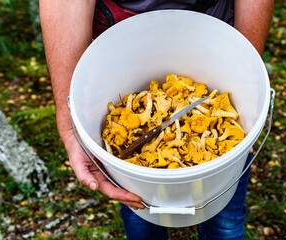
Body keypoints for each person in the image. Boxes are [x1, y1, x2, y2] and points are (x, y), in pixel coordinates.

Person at [39, 0, 273, 239]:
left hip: (216, 35)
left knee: (225, 218)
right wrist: (70, 126)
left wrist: (245, 78)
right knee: (139, 202)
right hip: (121, 42)